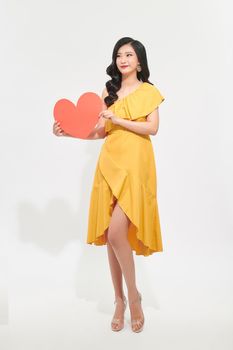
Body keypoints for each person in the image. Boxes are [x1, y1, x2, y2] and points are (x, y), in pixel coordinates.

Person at [53, 36, 165, 333]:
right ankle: (119, 300)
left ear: (139, 60)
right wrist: (69, 134)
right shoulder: (109, 91)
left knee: (118, 232)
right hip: (110, 163)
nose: (123, 59)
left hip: (137, 165)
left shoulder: (149, 91)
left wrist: (119, 118)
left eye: (129, 54)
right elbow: (100, 132)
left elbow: (152, 127)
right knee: (111, 234)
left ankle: (134, 297)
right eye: (119, 55)